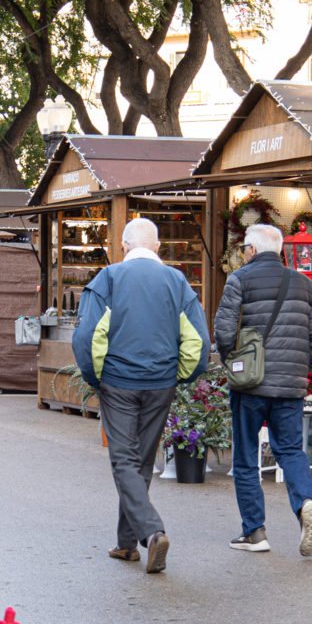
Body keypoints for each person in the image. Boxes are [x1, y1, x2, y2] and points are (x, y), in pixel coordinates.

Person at [72, 217, 209, 574]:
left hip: (118, 380)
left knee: (123, 460)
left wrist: (94, 376)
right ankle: (126, 543)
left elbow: (86, 335)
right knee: (142, 460)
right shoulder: (177, 281)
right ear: (159, 247)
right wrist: (181, 375)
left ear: (123, 246)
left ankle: (151, 531)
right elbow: (198, 340)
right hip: (160, 381)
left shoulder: (110, 278)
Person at [213, 223, 312, 557]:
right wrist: (298, 367)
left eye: (243, 250)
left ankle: (255, 532)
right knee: (291, 450)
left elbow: (223, 330)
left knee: (247, 455)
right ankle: (306, 502)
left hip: (250, 385)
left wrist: (234, 364)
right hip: (290, 387)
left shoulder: (240, 279)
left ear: (251, 250)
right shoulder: (305, 284)